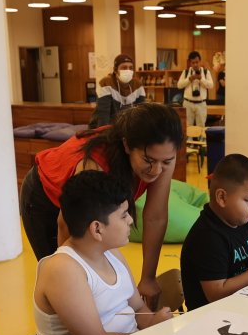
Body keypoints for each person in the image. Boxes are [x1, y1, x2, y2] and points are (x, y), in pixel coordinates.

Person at [20, 102, 184, 301]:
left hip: (88, 198)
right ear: (127, 145)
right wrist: (71, 279)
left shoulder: (162, 152)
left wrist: (148, 279)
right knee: (67, 286)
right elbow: (66, 226)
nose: (157, 170)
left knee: (100, 283)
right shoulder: (95, 165)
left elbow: (155, 217)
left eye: (166, 162)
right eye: (148, 160)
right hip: (44, 199)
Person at [32, 171, 173, 335]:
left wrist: (156, 324)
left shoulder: (111, 253)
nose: (131, 220)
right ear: (97, 229)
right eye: (124, 216)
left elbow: (139, 308)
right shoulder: (63, 269)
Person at [181, 154, 248, 310]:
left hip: (246, 305)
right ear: (222, 197)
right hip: (211, 320)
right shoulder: (206, 237)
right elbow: (216, 294)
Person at [89, 54, 145, 128]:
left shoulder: (138, 85)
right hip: (103, 126)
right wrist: (104, 135)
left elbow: (141, 112)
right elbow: (103, 115)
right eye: (124, 68)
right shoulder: (106, 83)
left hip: (125, 128)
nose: (128, 70)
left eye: (131, 68)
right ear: (115, 70)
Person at [177, 50, 213, 128]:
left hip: (201, 103)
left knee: (201, 128)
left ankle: (200, 140)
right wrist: (189, 79)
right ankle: (188, 140)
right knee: (187, 127)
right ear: (190, 63)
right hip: (188, 103)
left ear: (200, 61)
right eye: (193, 63)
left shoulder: (206, 72)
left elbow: (211, 85)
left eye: (197, 62)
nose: (195, 65)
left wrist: (201, 79)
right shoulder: (186, 72)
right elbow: (179, 85)